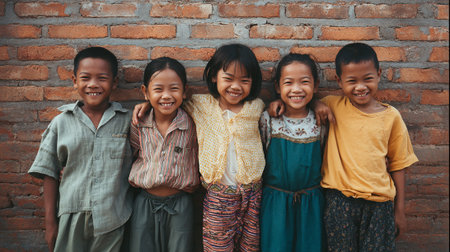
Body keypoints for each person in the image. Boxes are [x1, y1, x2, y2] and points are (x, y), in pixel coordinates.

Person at [270, 43, 418, 251]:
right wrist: (289, 103)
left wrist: (399, 210)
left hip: (380, 204)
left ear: (378, 74)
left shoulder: (391, 117)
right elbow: (303, 100)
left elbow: (399, 165)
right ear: (339, 81)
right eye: (351, 81)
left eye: (367, 79)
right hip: (339, 202)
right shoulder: (333, 105)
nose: (360, 87)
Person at [133, 44, 265, 251]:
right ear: (214, 77)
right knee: (217, 246)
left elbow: (276, 110)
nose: (236, 86)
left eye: (244, 80)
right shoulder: (200, 104)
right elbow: (169, 100)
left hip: (253, 195)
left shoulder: (257, 107)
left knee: (250, 246)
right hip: (217, 197)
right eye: (228, 79)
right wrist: (147, 104)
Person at [28, 47, 133, 252]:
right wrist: (50, 224)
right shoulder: (61, 123)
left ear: (114, 82)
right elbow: (49, 173)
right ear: (75, 80)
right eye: (85, 78)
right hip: (71, 217)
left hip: (115, 218)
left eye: (102, 78)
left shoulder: (128, 121)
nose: (93, 84)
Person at [126, 57, 199, 252]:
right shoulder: (139, 124)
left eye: (174, 89)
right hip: (144, 204)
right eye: (158, 89)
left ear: (185, 92)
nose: (166, 96)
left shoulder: (192, 125)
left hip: (180, 205)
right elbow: (132, 155)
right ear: (145, 92)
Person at [259, 53, 325, 252]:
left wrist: (318, 103)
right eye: (288, 83)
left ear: (315, 85)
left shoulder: (321, 121)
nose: (296, 89)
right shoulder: (268, 120)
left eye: (304, 82)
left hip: (311, 204)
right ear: (278, 87)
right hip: (275, 203)